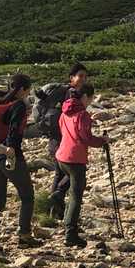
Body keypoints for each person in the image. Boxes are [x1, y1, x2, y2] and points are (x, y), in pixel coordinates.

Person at [0, 73, 36, 253]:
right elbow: (14, 129)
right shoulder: (18, 105)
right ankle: (24, 236)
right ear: (22, 89)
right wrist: (11, 148)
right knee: (27, 195)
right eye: (28, 90)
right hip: (9, 155)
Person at [55, 83, 108, 250]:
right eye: (91, 98)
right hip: (75, 158)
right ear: (85, 96)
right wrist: (102, 141)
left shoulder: (65, 111)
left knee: (69, 181)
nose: (91, 101)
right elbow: (86, 138)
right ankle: (70, 233)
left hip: (62, 156)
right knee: (76, 197)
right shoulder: (82, 114)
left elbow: (64, 130)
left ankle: (57, 194)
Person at [33, 63, 88, 220]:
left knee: (60, 173)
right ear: (71, 77)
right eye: (80, 76)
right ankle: (57, 203)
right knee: (71, 173)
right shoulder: (71, 94)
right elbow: (71, 119)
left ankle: (54, 209)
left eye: (85, 76)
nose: (83, 79)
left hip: (55, 138)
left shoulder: (63, 92)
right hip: (62, 140)